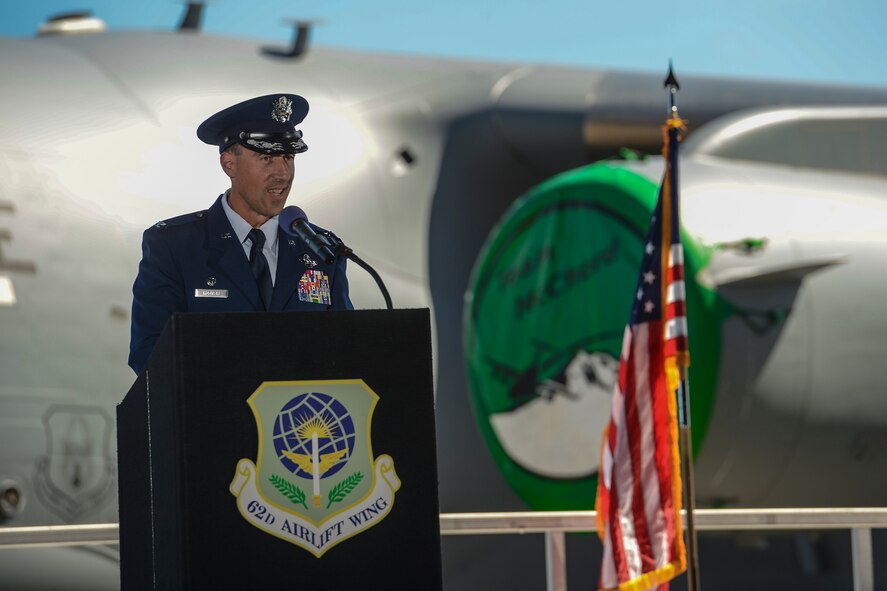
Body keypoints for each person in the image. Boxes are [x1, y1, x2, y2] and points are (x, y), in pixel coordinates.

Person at [128, 93, 353, 374]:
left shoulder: (320, 250)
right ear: (229, 164)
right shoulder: (174, 246)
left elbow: (347, 351)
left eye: (288, 157)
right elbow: (150, 353)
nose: (283, 173)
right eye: (267, 158)